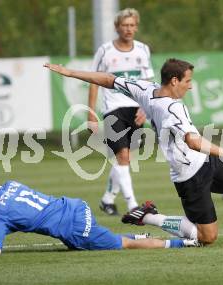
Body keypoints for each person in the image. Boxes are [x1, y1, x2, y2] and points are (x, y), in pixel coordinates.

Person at [43, 58, 223, 245]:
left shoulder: (146, 89)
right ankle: (149, 217)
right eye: (188, 82)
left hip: (206, 161)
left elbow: (108, 79)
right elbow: (193, 141)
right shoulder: (172, 108)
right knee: (207, 238)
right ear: (174, 82)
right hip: (189, 175)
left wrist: (70, 72)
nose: (190, 87)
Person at [0, 169, 199, 256]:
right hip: (74, 207)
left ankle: (184, 243)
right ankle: (144, 233)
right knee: (95, 242)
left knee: (121, 245)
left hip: (75, 227)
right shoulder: (11, 186)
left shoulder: (0, 213)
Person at [87, 8, 154, 216]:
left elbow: (148, 82)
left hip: (136, 110)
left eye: (132, 25)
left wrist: (145, 107)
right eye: (125, 25)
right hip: (113, 109)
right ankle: (133, 205)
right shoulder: (105, 51)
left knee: (124, 159)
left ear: (137, 27)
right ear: (117, 27)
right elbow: (93, 81)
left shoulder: (143, 50)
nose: (129, 29)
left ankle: (107, 199)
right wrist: (91, 113)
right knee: (122, 155)